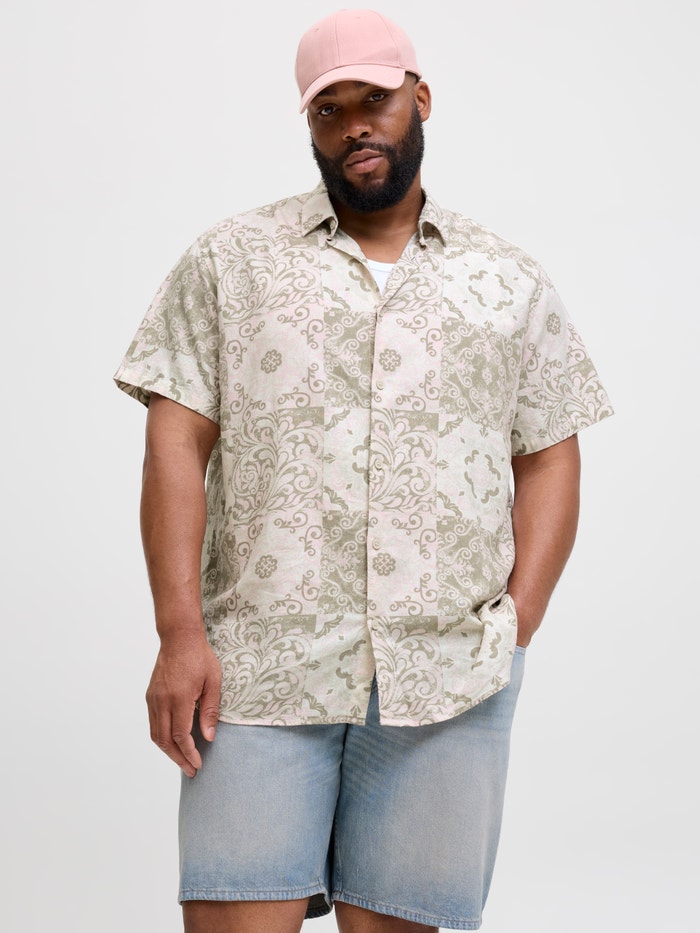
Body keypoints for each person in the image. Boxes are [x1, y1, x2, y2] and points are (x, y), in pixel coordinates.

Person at [114, 9, 612, 933]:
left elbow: (549, 449)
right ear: (309, 123)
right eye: (328, 109)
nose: (354, 126)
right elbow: (175, 441)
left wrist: (517, 622)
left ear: (420, 99)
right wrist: (179, 632)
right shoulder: (231, 261)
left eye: (374, 101)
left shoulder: (508, 280)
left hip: (449, 679)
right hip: (259, 669)